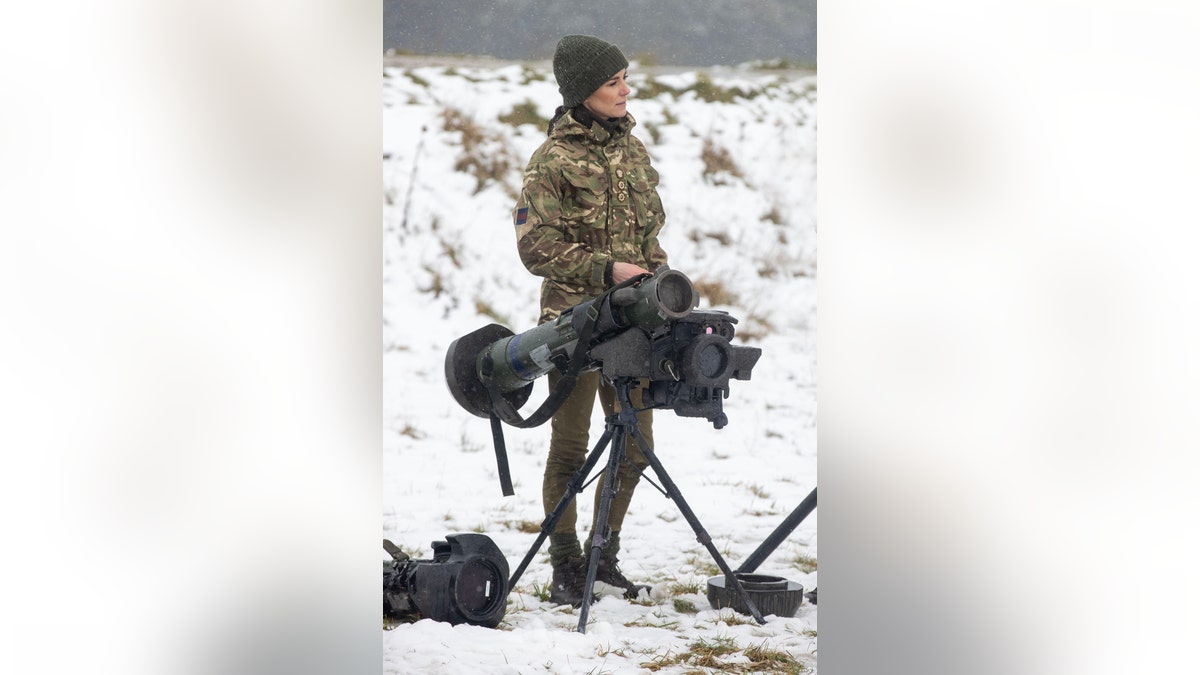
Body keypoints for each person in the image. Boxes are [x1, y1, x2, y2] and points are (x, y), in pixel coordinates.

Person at [512, 34, 669, 606]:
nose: (626, 90)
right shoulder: (551, 160)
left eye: (626, 78)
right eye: (613, 82)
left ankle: (605, 554)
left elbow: (651, 237)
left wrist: (656, 283)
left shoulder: (635, 152)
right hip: (573, 325)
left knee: (635, 445)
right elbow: (536, 248)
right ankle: (567, 564)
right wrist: (608, 271)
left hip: (632, 326)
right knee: (571, 447)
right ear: (584, 93)